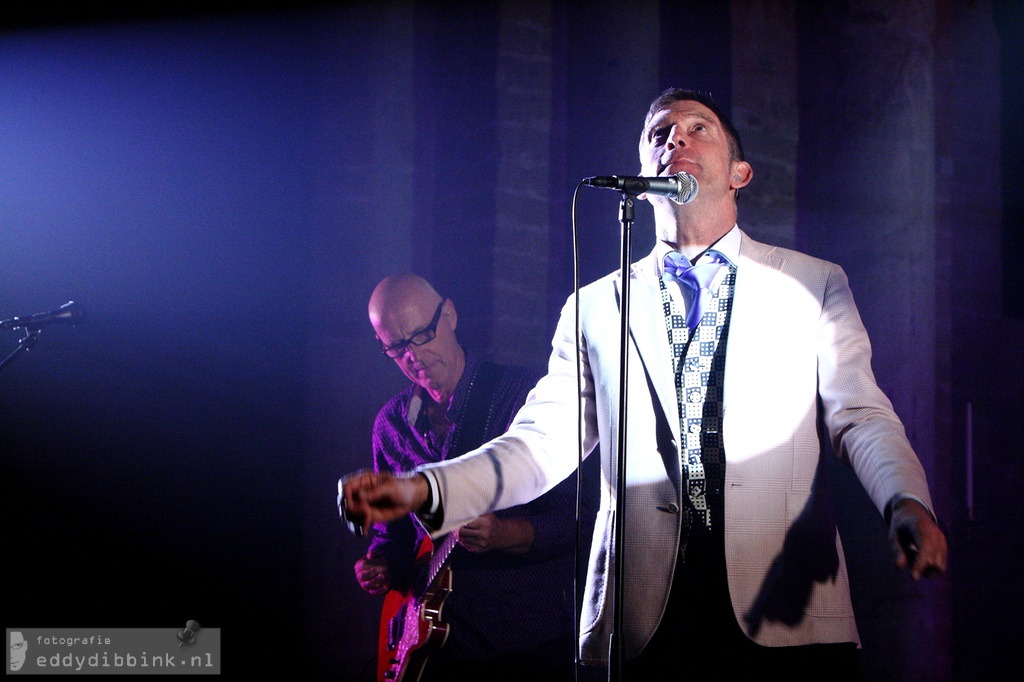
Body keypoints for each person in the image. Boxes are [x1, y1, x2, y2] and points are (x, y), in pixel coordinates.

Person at [341, 90, 948, 679]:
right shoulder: (596, 306)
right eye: (659, 134)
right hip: (644, 619)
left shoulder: (813, 283)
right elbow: (538, 444)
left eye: (697, 128)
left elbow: (859, 415)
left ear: (740, 172)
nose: (675, 138)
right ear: (642, 172)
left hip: (784, 606)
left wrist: (905, 500)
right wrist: (424, 490)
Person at [352, 272, 579, 682]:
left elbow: (584, 519)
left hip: (524, 644)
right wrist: (383, 563)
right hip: (434, 650)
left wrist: (507, 534)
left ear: (450, 315)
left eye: (422, 334)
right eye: (397, 347)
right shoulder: (391, 426)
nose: (414, 355)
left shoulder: (525, 398)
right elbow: (395, 535)